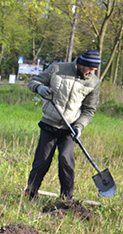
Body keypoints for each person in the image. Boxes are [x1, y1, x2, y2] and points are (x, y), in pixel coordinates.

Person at [25, 50, 101, 200]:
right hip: (49, 124)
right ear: (82, 64)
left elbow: (89, 110)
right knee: (42, 160)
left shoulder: (93, 82)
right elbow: (34, 82)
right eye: (90, 69)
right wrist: (39, 88)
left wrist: (79, 126)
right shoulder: (58, 68)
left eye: (94, 70)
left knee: (66, 161)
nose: (92, 72)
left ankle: (67, 199)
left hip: (70, 129)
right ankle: (31, 193)